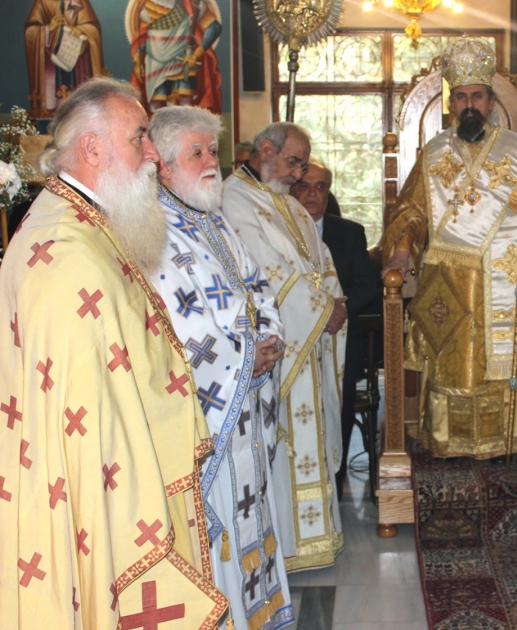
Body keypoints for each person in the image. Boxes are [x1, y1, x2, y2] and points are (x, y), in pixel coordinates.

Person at [0, 78, 226, 627]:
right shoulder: (66, 251)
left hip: (122, 460)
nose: (153, 155)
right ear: (93, 148)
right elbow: (77, 419)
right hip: (99, 486)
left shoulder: (86, 222)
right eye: (139, 137)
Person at [382, 37, 517, 460]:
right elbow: (411, 211)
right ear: (451, 103)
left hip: (502, 273)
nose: (469, 105)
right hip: (447, 279)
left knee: (495, 365)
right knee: (450, 361)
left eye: (477, 97)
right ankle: (448, 439)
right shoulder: (433, 153)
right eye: (461, 97)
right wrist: (401, 250)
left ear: (490, 102)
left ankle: (506, 439)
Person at [149, 106, 295, 629]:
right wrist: (246, 355)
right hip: (212, 414)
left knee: (251, 509)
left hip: (245, 401)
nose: (212, 161)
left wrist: (270, 336)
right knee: (225, 520)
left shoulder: (214, 220)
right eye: (197, 153)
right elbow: (179, 328)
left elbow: (258, 284)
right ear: (164, 165)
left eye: (213, 150)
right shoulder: (154, 230)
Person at [222, 122, 347, 572]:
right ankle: (289, 546)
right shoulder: (234, 198)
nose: (299, 174)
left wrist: (335, 299)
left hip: (309, 336)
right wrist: (320, 307)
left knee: (314, 431)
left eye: (303, 164)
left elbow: (320, 258)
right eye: (294, 163)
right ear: (266, 150)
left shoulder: (288, 203)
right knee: (286, 441)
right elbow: (265, 270)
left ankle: (318, 538)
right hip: (280, 342)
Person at [291, 160, 380, 499]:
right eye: (304, 186)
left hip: (341, 341)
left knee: (337, 411)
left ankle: (336, 484)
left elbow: (366, 286)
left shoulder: (349, 233)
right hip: (295, 340)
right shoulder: (277, 232)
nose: (312, 194)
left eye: (320, 187)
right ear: (291, 189)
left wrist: (337, 309)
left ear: (328, 193)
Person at [127, 0, 223, 113]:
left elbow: (214, 27)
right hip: (155, 64)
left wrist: (196, 54)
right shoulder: (147, 5)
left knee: (185, 105)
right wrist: (138, 59)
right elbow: (143, 36)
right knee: (156, 108)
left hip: (183, 61)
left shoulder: (192, 3)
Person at [25, 0, 105, 117]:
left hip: (76, 62)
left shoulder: (80, 1)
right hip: (51, 65)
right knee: (54, 108)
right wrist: (48, 29)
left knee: (77, 108)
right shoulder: (42, 2)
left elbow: (93, 28)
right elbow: (30, 31)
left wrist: (82, 30)